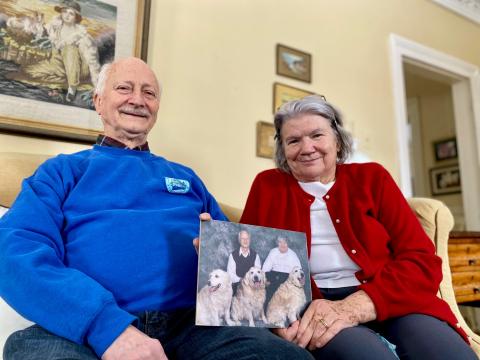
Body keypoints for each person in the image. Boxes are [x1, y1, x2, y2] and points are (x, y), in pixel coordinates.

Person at [0, 57, 313, 360]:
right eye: (124, 89)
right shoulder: (62, 172)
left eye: (148, 93)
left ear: (157, 108)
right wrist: (107, 328)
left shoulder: (186, 179)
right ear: (98, 101)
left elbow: (240, 258)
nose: (138, 99)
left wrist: (270, 308)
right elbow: (15, 250)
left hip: (192, 326)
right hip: (88, 327)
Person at [239, 95, 477, 360]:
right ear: (283, 151)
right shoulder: (267, 186)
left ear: (337, 141)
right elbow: (252, 265)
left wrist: (357, 305)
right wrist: (221, 252)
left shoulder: (373, 178)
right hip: (310, 308)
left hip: (392, 296)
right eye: (293, 140)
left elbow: (422, 261)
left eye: (317, 135)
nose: (307, 148)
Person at [14, 0, 101, 102]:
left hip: (80, 68)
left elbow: (93, 62)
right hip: (59, 65)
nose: (67, 15)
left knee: (69, 48)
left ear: (76, 17)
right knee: (29, 71)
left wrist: (97, 85)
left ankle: (72, 87)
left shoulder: (82, 36)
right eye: (65, 11)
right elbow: (40, 33)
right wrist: (37, 24)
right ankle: (65, 80)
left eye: (71, 13)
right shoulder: (55, 27)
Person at [262, 236, 302, 305]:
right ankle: (267, 310)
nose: (282, 245)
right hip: (274, 277)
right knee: (268, 292)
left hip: (287, 278)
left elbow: (298, 271)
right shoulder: (273, 252)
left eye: (285, 243)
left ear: (288, 244)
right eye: (280, 242)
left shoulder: (293, 255)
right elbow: (265, 268)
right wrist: (265, 280)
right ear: (277, 243)